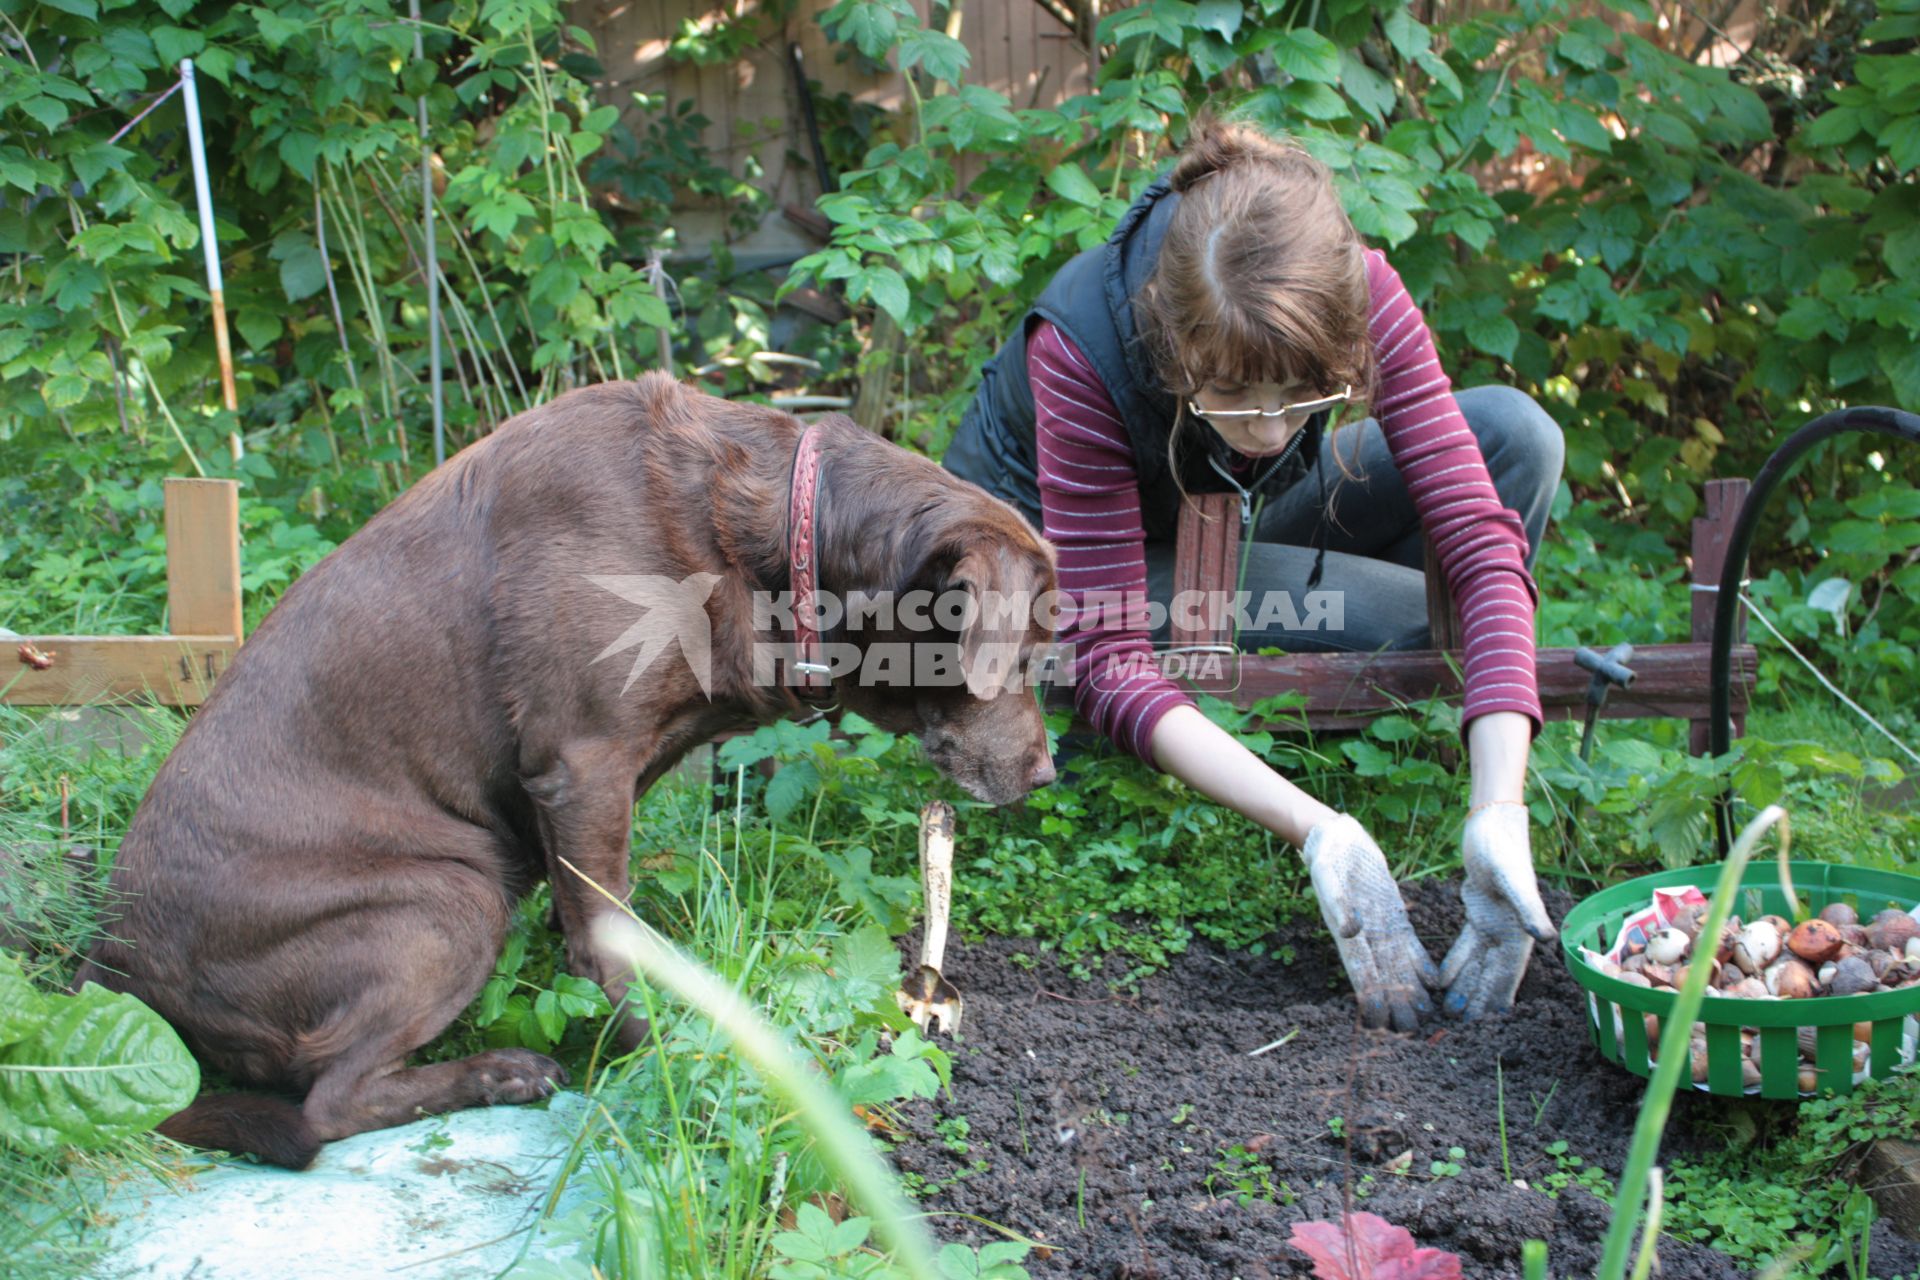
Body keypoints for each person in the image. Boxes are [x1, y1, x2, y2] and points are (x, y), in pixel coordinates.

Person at [943, 118, 1565, 1031]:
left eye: (1299, 395)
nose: (1272, 430)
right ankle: (1340, 758)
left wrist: (1498, 809)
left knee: (1516, 435)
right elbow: (1107, 650)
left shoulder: (1343, 286)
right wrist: (1321, 831)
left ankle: (1429, 761)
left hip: (1214, 516)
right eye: (1233, 395)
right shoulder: (1083, 345)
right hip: (1047, 581)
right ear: (1175, 347)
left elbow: (1477, 536)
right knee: (1401, 618)